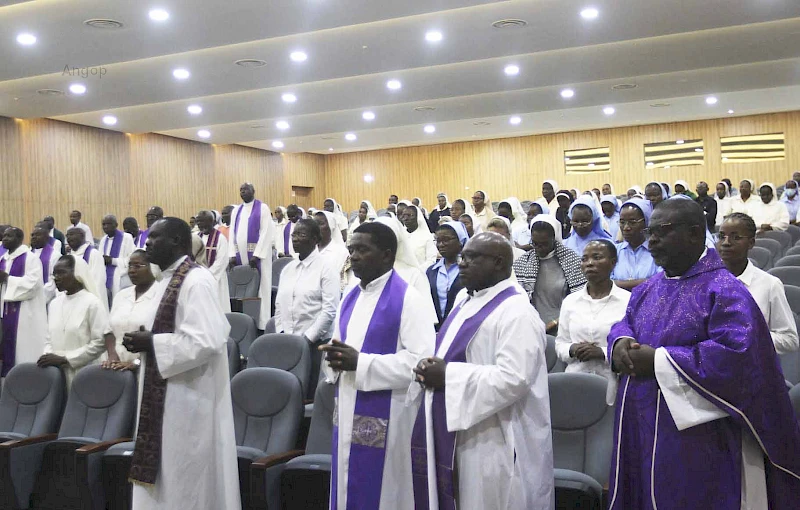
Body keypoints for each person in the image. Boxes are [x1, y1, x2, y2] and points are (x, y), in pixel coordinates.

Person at [607, 199, 800, 509]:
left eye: (662, 231)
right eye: (650, 231)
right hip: (641, 423)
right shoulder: (648, 288)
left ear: (696, 234)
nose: (651, 240)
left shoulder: (724, 290)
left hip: (699, 439)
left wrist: (658, 361)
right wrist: (619, 342)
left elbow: (738, 356)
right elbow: (624, 323)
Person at [411, 231, 553, 510]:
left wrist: (448, 375)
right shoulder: (464, 300)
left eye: (472, 258)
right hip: (459, 426)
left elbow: (514, 379)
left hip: (497, 437)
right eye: (463, 256)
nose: (462, 263)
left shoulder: (517, 312)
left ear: (499, 263)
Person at [122, 218, 240, 509]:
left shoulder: (196, 281)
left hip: (189, 399)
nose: (147, 242)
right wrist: (143, 341)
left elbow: (207, 340)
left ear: (176, 241)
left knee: (185, 480)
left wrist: (151, 343)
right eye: (147, 237)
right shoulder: (165, 280)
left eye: (155, 237)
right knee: (167, 479)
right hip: (165, 396)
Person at [320, 221, 435, 510]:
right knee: (346, 481)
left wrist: (361, 363)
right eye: (351, 249)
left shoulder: (409, 299)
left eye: (362, 249)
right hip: (347, 405)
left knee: (385, 492)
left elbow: (421, 363)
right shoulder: (350, 297)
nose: (354, 256)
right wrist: (333, 359)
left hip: (389, 414)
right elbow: (338, 348)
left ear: (386, 255)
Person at [274, 218, 340, 395]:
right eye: (293, 235)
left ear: (315, 239)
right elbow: (279, 305)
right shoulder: (288, 269)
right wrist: (281, 332)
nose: (295, 239)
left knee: (308, 393)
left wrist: (307, 338)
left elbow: (329, 310)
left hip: (315, 344)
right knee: (287, 393)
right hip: (288, 342)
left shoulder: (326, 267)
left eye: (301, 235)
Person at [717, 213, 798, 354]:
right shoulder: (706, 282)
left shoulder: (769, 285)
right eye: (721, 236)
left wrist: (750, 337)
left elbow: (790, 340)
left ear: (751, 243)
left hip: (753, 370)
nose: (726, 242)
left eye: (736, 237)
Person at [556, 239, 630, 378]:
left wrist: (602, 352)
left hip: (613, 382)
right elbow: (560, 344)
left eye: (597, 258)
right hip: (575, 379)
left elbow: (633, 348)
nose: (589, 263)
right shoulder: (571, 301)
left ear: (613, 262)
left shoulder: (628, 301)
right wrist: (572, 349)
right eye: (584, 259)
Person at [37, 254, 108, 387]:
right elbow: (48, 338)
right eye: (54, 274)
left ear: (77, 273)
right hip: (56, 373)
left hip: (85, 372)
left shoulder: (92, 303)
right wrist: (49, 356)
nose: (56, 278)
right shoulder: (54, 304)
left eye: (61, 273)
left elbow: (100, 342)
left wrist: (66, 359)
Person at [514, 215, 586, 335]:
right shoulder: (523, 263)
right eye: (535, 243)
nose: (539, 249)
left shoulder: (572, 261)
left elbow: (580, 301)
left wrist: (554, 323)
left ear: (554, 239)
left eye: (544, 244)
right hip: (532, 328)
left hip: (565, 326)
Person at [1, 227, 48, 376]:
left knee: (24, 350)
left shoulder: (30, 258)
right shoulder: (3, 259)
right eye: (4, 236)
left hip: (25, 314)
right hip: (5, 313)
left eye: (9, 236)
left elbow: (33, 284)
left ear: (19, 239)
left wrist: (8, 278)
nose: (5, 239)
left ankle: (26, 380)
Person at [228, 182, 275, 329]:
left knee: (261, 289)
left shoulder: (262, 208)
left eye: (246, 189)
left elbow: (266, 232)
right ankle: (245, 323)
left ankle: (261, 323)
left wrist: (257, 255)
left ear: (253, 191)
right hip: (240, 255)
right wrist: (232, 254)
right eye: (241, 190)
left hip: (258, 258)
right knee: (244, 289)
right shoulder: (237, 210)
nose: (243, 192)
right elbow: (232, 233)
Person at [101, 250, 158, 367]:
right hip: (116, 366)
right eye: (130, 266)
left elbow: (159, 339)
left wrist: (135, 364)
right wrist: (112, 356)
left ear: (152, 267)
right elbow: (109, 331)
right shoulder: (121, 295)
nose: (131, 271)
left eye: (137, 266)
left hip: (147, 367)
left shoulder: (160, 296)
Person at [612, 198, 660, 290]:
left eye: (632, 222)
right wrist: (645, 282)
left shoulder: (658, 250)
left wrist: (618, 285)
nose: (626, 227)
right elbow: (605, 283)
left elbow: (660, 282)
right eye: (622, 222)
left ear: (646, 222)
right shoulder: (614, 250)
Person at [427, 222, 468, 327]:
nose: (441, 244)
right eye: (438, 240)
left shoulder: (470, 269)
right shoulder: (431, 272)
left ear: (460, 240)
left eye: (446, 240)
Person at [196, 210, 231, 313]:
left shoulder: (220, 238)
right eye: (198, 222)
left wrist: (208, 275)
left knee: (218, 309)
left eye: (202, 221)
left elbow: (222, 261)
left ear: (212, 221)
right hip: (199, 280)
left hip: (216, 280)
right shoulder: (196, 238)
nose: (200, 224)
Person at [66, 227, 109, 311]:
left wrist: (87, 300)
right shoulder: (68, 257)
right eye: (67, 236)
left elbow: (98, 281)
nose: (69, 238)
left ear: (82, 236)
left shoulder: (93, 254)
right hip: (73, 301)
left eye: (71, 235)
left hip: (91, 301)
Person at [99, 214, 135, 301]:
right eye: (104, 224)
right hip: (105, 277)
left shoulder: (127, 238)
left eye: (109, 224)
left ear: (116, 225)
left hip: (121, 277)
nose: (106, 226)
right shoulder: (103, 240)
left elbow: (131, 259)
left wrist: (112, 261)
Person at [401, 205, 437, 269]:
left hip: (421, 274)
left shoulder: (427, 236)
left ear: (418, 217)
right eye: (404, 216)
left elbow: (431, 260)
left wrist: (417, 271)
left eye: (409, 215)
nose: (406, 219)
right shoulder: (400, 235)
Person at [30, 222, 58, 302]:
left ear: (46, 238)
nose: (34, 237)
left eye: (37, 235)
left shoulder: (54, 255)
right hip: (29, 298)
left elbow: (54, 280)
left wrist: (39, 298)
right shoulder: (28, 255)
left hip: (47, 298)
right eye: (32, 235)